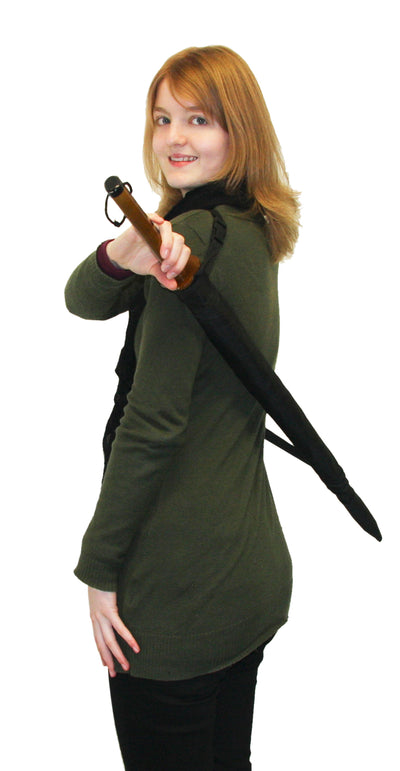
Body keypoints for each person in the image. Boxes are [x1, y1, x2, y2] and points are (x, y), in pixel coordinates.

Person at [65, 45, 300, 771]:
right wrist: (122, 254)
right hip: (247, 571)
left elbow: (153, 422)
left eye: (199, 119)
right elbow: (81, 299)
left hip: (177, 595)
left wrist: (99, 569)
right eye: (163, 117)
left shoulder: (194, 240)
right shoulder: (246, 226)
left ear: (239, 130)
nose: (174, 137)